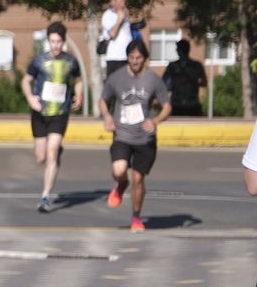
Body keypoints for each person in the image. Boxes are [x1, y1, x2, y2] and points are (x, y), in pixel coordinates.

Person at [99, 39, 171, 232]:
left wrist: (155, 121)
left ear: (145, 59)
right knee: (118, 170)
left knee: (139, 179)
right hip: (122, 135)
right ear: (127, 58)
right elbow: (103, 101)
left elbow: (167, 107)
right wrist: (107, 117)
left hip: (144, 138)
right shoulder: (116, 78)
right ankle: (121, 184)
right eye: (131, 57)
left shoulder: (153, 79)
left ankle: (136, 218)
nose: (135, 61)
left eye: (139, 58)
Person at [20, 22, 83, 213]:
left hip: (60, 113)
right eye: (52, 41)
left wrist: (78, 95)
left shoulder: (71, 61)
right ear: (48, 41)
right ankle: (53, 154)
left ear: (63, 42)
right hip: (40, 113)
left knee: (51, 154)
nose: (55, 45)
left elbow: (78, 79)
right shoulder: (39, 60)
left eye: (59, 42)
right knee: (40, 157)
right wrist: (30, 98)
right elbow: (25, 80)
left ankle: (45, 196)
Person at [99, 0, 145, 79]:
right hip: (116, 59)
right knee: (115, 88)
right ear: (113, 2)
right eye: (121, 1)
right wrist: (119, 20)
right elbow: (112, 34)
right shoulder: (108, 15)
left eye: (124, 1)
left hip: (126, 58)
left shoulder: (124, 15)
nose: (123, 4)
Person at [162, 39, 207, 117]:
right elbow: (204, 83)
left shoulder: (173, 66)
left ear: (180, 50)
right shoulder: (196, 65)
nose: (176, 50)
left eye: (177, 48)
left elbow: (164, 83)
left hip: (187, 105)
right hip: (182, 104)